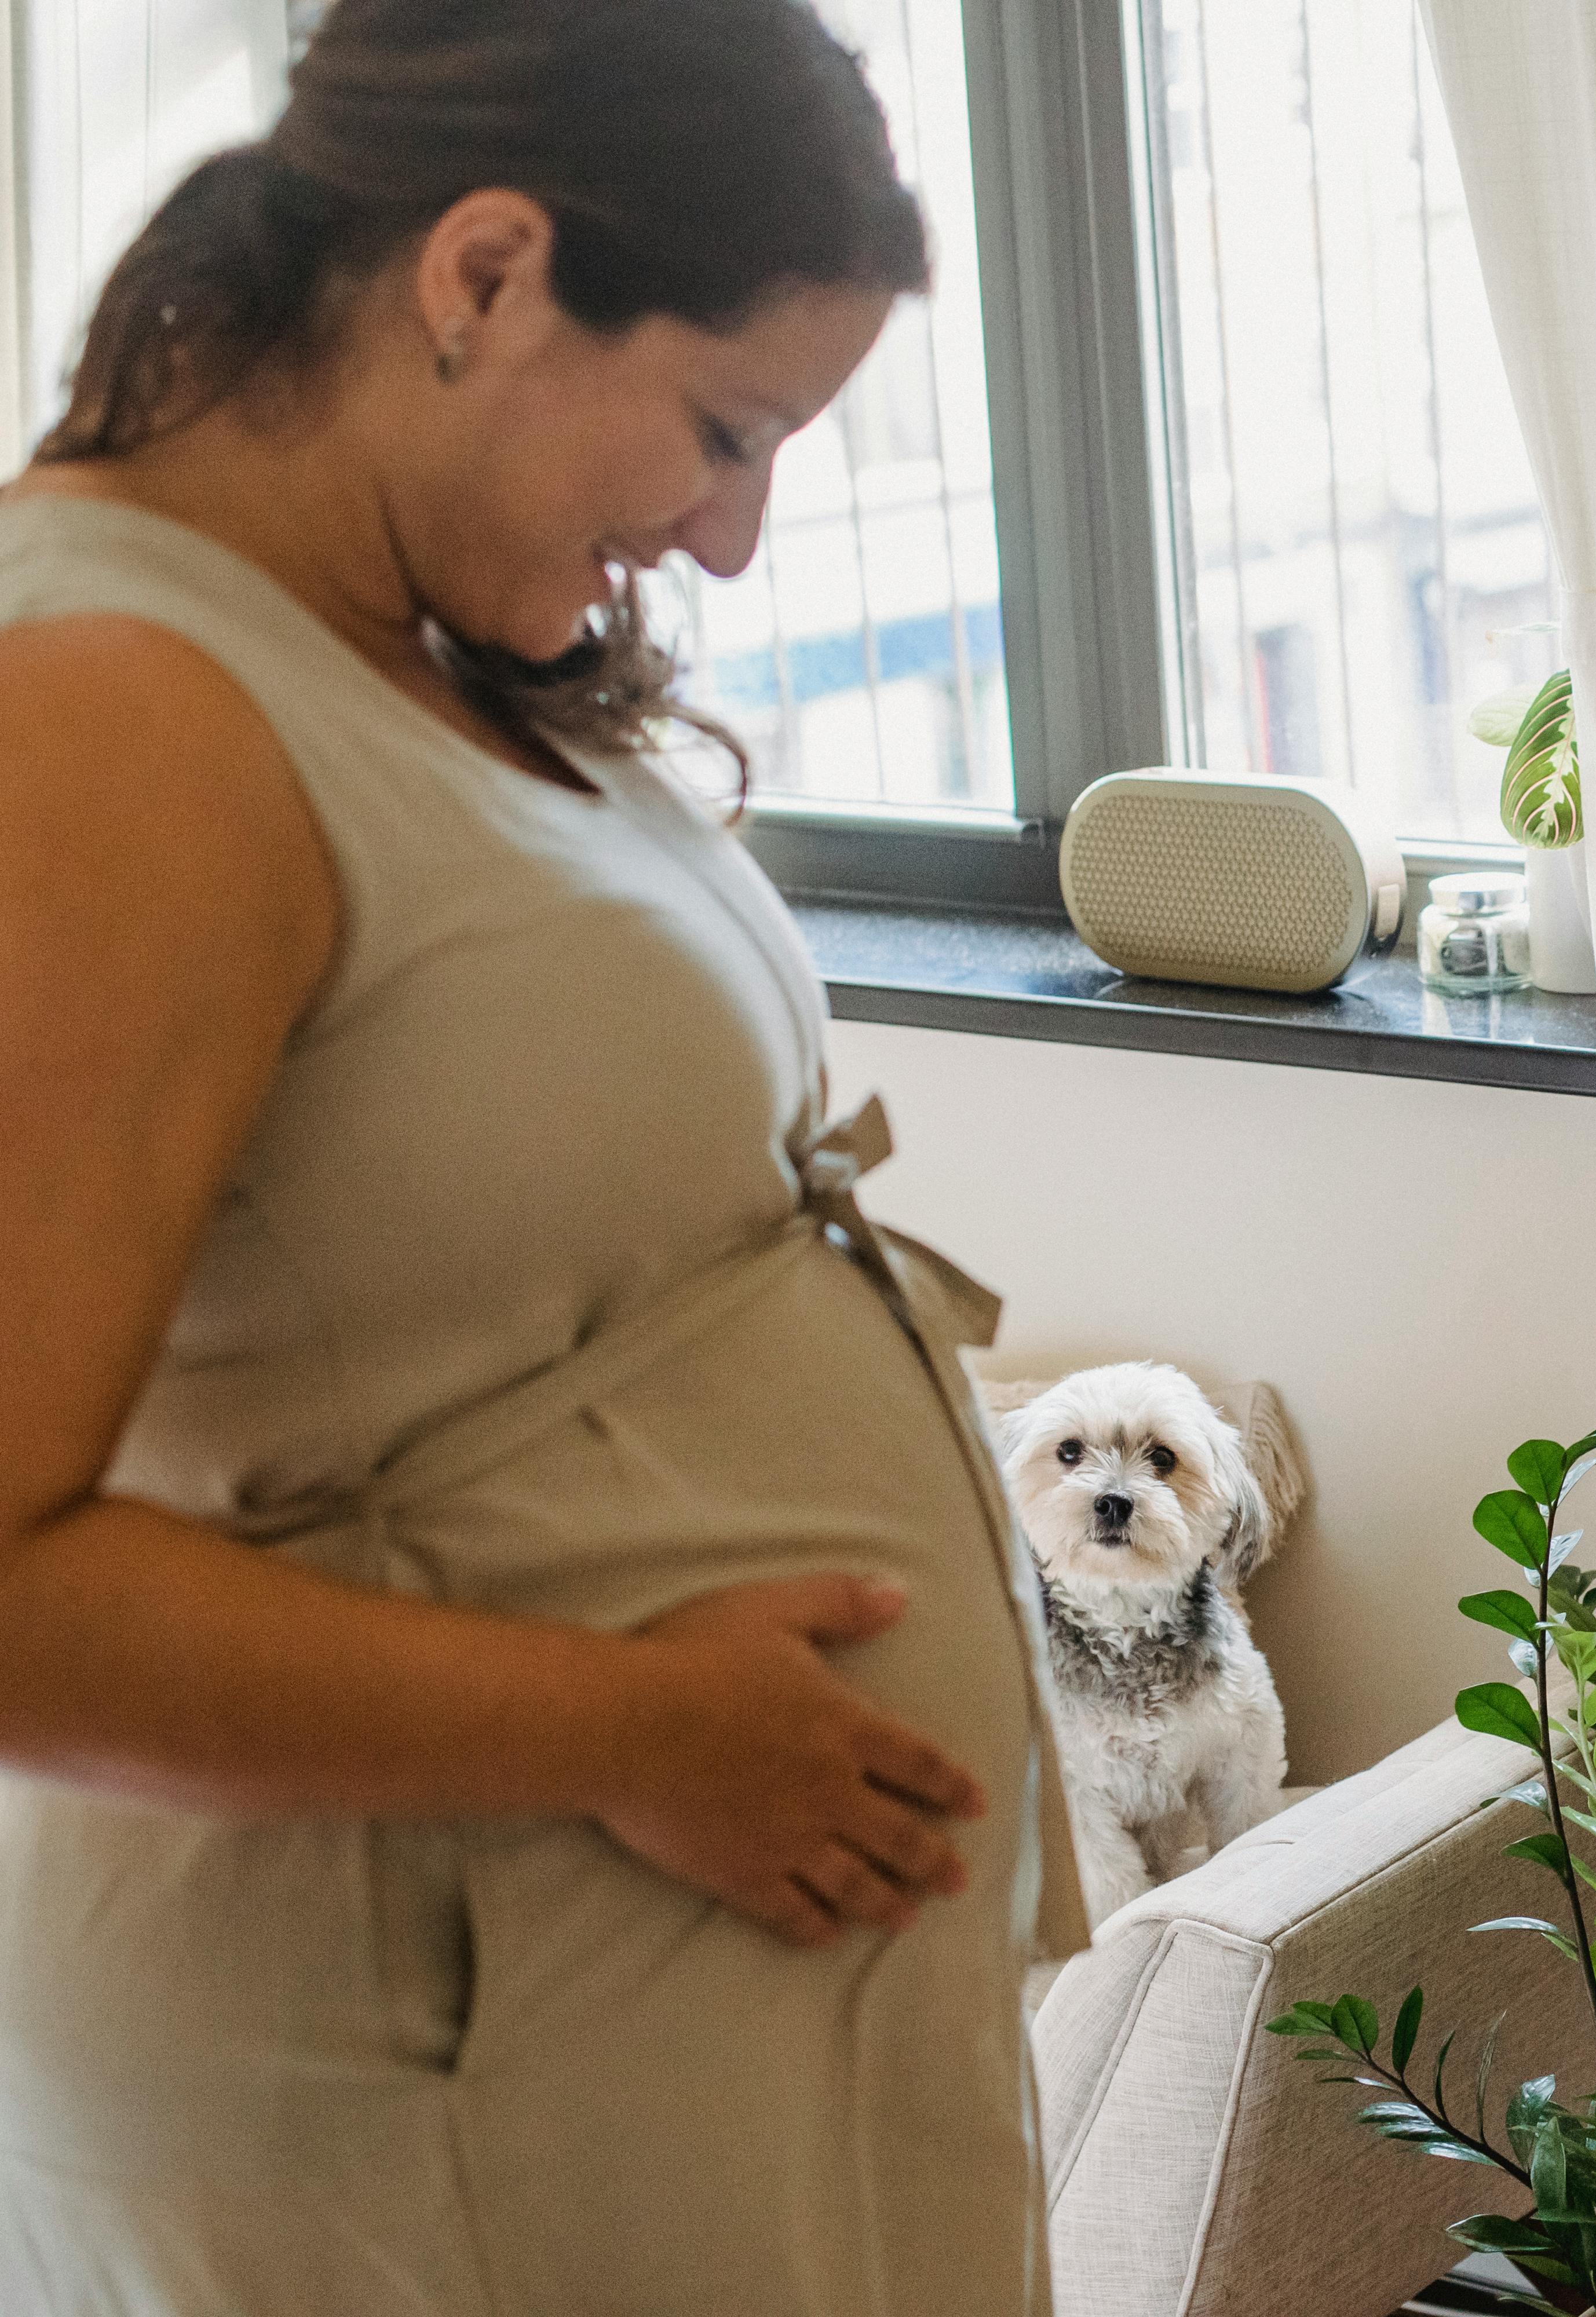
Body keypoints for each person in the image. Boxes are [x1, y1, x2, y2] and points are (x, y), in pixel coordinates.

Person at [0, 3, 1084, 2309]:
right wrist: (634, 1726)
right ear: (485, 272)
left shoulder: (389, 635)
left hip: (622, 2030)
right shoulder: (108, 713)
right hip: (434, 2052)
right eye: (723, 426)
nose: (732, 531)